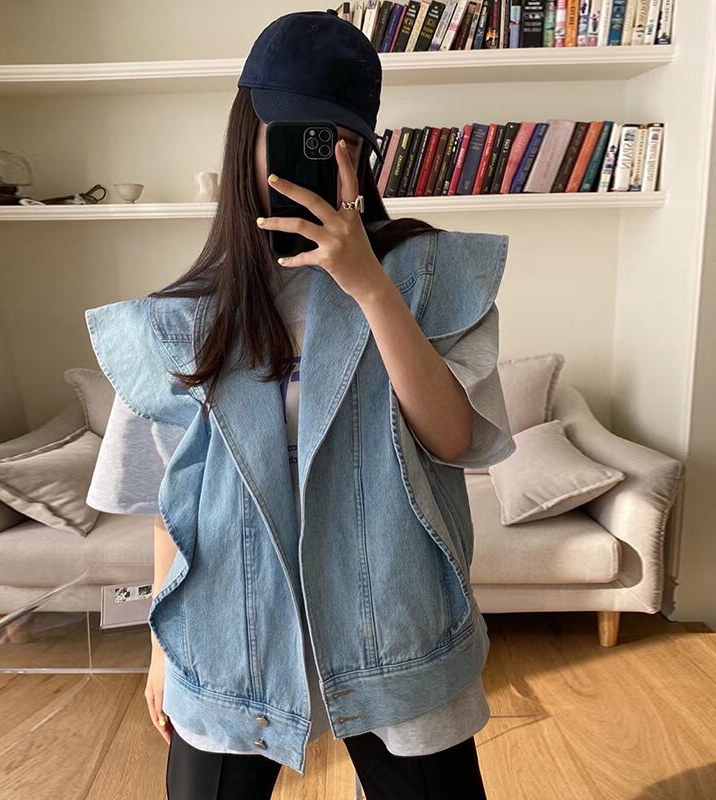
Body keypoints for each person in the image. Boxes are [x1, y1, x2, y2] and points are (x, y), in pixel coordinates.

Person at [85, 9, 515, 800]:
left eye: (344, 141)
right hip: (229, 635)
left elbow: (453, 439)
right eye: (300, 136)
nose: (325, 159)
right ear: (246, 133)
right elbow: (173, 502)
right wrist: (160, 652)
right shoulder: (185, 316)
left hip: (394, 625)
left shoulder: (431, 277)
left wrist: (370, 287)